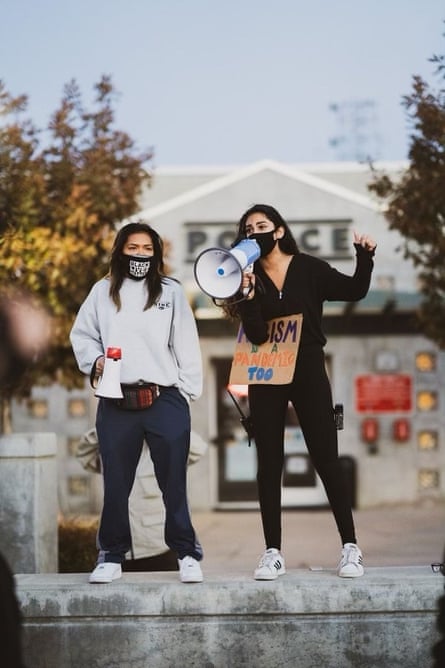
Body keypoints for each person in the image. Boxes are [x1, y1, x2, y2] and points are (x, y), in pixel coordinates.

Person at [220, 204, 376, 581]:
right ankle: (272, 552)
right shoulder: (247, 277)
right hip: (267, 371)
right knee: (269, 462)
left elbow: (355, 290)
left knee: (326, 456)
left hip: (307, 368)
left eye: (262, 225)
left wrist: (365, 257)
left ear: (277, 231)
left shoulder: (308, 268)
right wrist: (246, 296)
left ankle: (350, 547)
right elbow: (256, 335)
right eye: (247, 228)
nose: (254, 230)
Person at [70, 221, 204, 584]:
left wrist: (188, 392)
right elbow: (81, 334)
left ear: (156, 254)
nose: (140, 255)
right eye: (133, 248)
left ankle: (187, 554)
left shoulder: (171, 292)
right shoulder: (102, 291)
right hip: (116, 400)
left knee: (173, 483)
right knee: (116, 484)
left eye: (147, 249)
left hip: (165, 398)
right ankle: (111, 556)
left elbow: (186, 343)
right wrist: (94, 359)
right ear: (120, 251)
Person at [76, 427, 208, 572]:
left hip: (158, 548)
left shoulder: (165, 446)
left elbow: (198, 449)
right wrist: (111, 422)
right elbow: (84, 453)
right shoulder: (113, 447)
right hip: (117, 554)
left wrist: (158, 420)